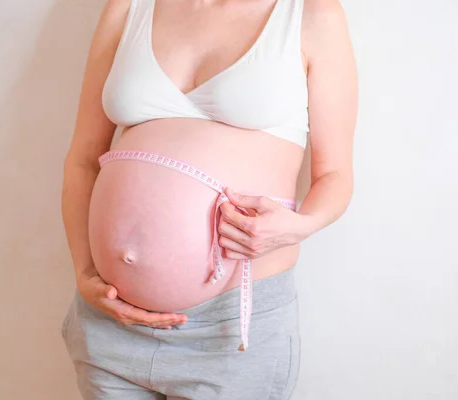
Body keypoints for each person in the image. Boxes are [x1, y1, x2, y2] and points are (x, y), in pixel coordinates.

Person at [60, 0, 357, 398]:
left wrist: (296, 227)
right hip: (110, 323)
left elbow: (335, 176)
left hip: (230, 330)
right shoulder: (129, 7)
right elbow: (82, 160)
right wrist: (85, 271)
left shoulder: (310, 14)